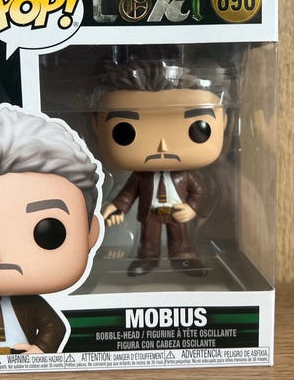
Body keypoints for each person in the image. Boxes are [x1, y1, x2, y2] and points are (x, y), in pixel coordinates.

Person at [0, 105, 102, 354]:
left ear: (90, 235)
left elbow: (55, 328)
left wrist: (41, 350)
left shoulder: (31, 304)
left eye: (48, 233)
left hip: (22, 356)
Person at [94, 50, 229, 277]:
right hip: (152, 213)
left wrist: (192, 208)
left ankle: (183, 257)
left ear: (223, 121)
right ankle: (147, 258)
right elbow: (129, 193)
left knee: (180, 239)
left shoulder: (185, 176)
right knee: (149, 240)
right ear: (96, 126)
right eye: (125, 132)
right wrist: (117, 207)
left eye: (197, 129)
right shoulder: (141, 176)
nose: (163, 146)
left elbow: (200, 190)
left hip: (177, 211)